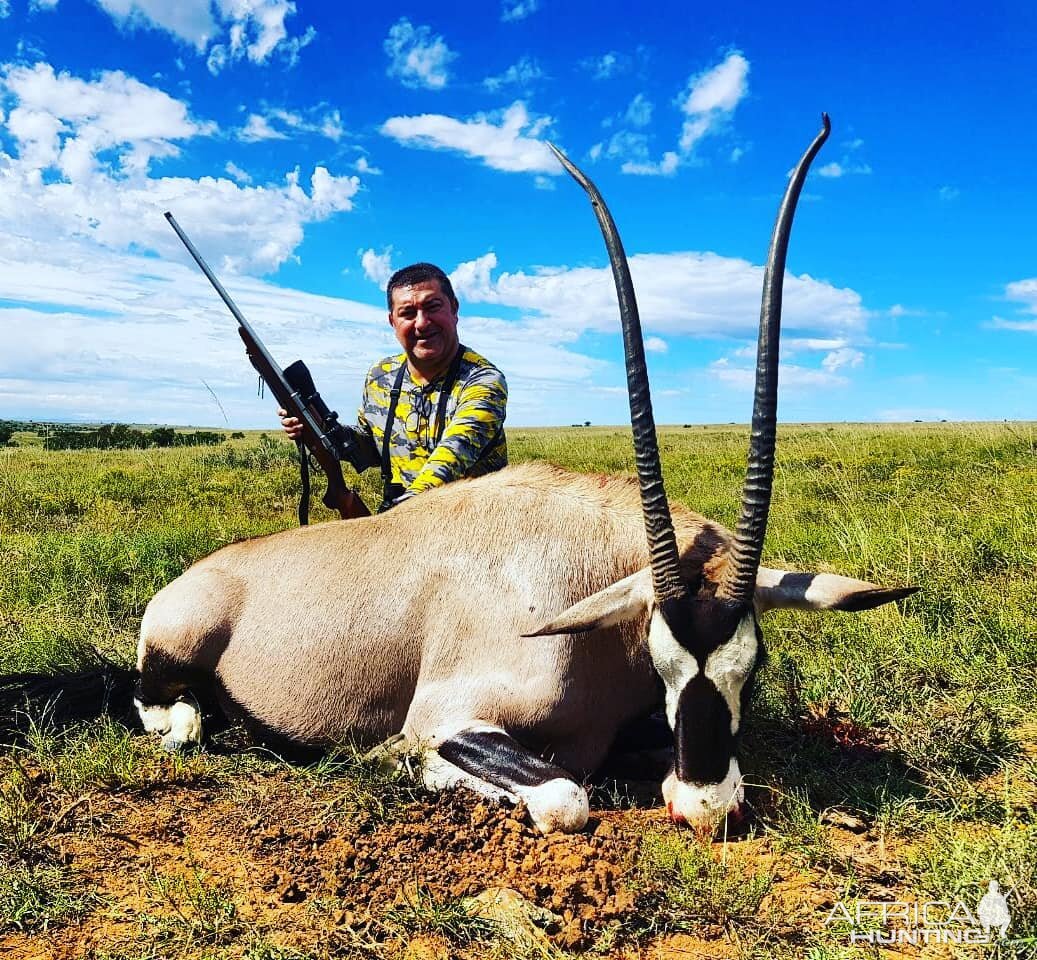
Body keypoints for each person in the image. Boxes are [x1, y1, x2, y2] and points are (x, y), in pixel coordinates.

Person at [280, 262, 507, 511]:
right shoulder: (380, 376)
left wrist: (398, 515)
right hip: (401, 522)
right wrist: (316, 427)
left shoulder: (483, 380)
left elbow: (453, 455)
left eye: (432, 307)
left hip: (472, 521)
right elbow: (370, 448)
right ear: (392, 321)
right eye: (408, 313)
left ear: (454, 309)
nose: (422, 323)